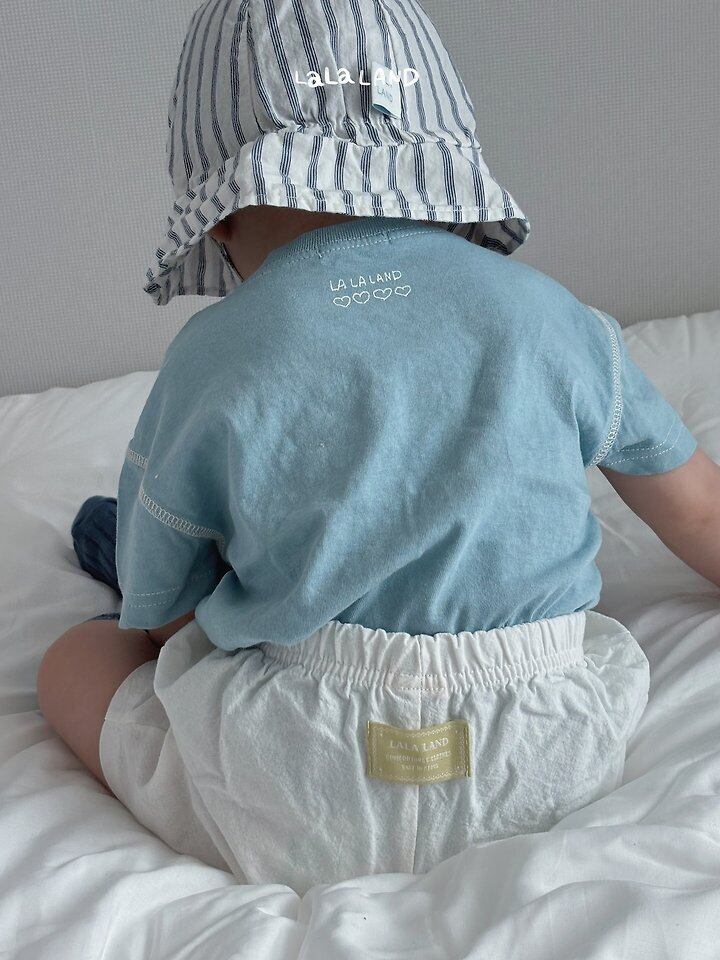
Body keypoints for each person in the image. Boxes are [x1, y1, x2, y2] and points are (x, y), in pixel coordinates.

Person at [36, 0, 720, 895]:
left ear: (220, 219)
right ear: (443, 169)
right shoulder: (554, 317)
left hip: (297, 774)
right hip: (547, 750)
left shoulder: (215, 356)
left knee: (78, 659)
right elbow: (702, 514)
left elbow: (163, 612)